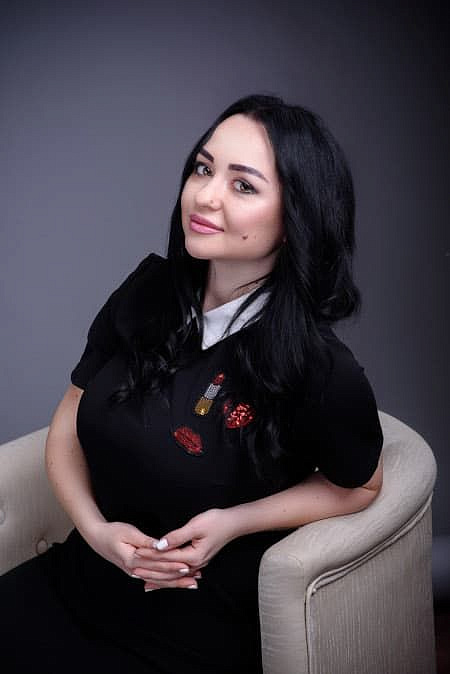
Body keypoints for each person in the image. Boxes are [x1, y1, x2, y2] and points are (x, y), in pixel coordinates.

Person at [1, 93, 384, 673]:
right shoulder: (149, 291)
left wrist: (235, 521)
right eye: (204, 169)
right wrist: (96, 531)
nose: (205, 195)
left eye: (243, 185)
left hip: (191, 626)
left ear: (295, 219)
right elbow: (68, 420)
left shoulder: (319, 366)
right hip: (78, 577)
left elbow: (361, 485)